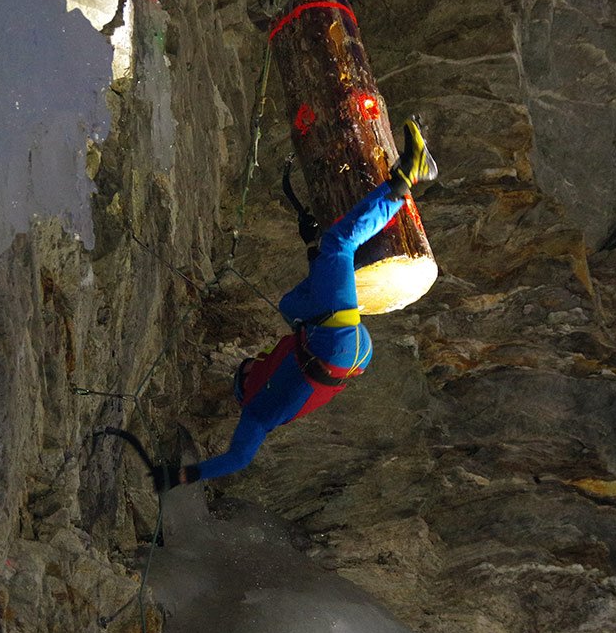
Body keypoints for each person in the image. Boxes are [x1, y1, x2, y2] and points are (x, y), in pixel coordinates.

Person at [151, 117, 437, 491]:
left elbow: (239, 458)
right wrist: (182, 476)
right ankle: (407, 177)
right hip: (335, 345)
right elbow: (236, 459)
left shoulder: (265, 417)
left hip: (351, 356)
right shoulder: (254, 412)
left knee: (291, 305)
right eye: (249, 365)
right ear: (246, 379)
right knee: (339, 245)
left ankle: (333, 253)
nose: (255, 360)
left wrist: (181, 477)